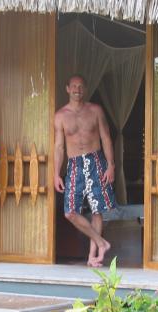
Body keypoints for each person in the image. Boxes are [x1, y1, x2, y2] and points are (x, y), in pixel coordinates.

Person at [54, 74, 116, 267]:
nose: (77, 89)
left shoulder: (95, 110)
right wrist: (56, 173)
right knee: (70, 212)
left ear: (85, 89)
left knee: (97, 210)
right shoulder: (60, 116)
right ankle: (101, 242)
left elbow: (106, 138)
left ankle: (93, 256)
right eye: (73, 86)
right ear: (67, 89)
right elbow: (59, 147)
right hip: (74, 165)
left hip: (96, 160)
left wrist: (111, 165)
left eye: (80, 86)